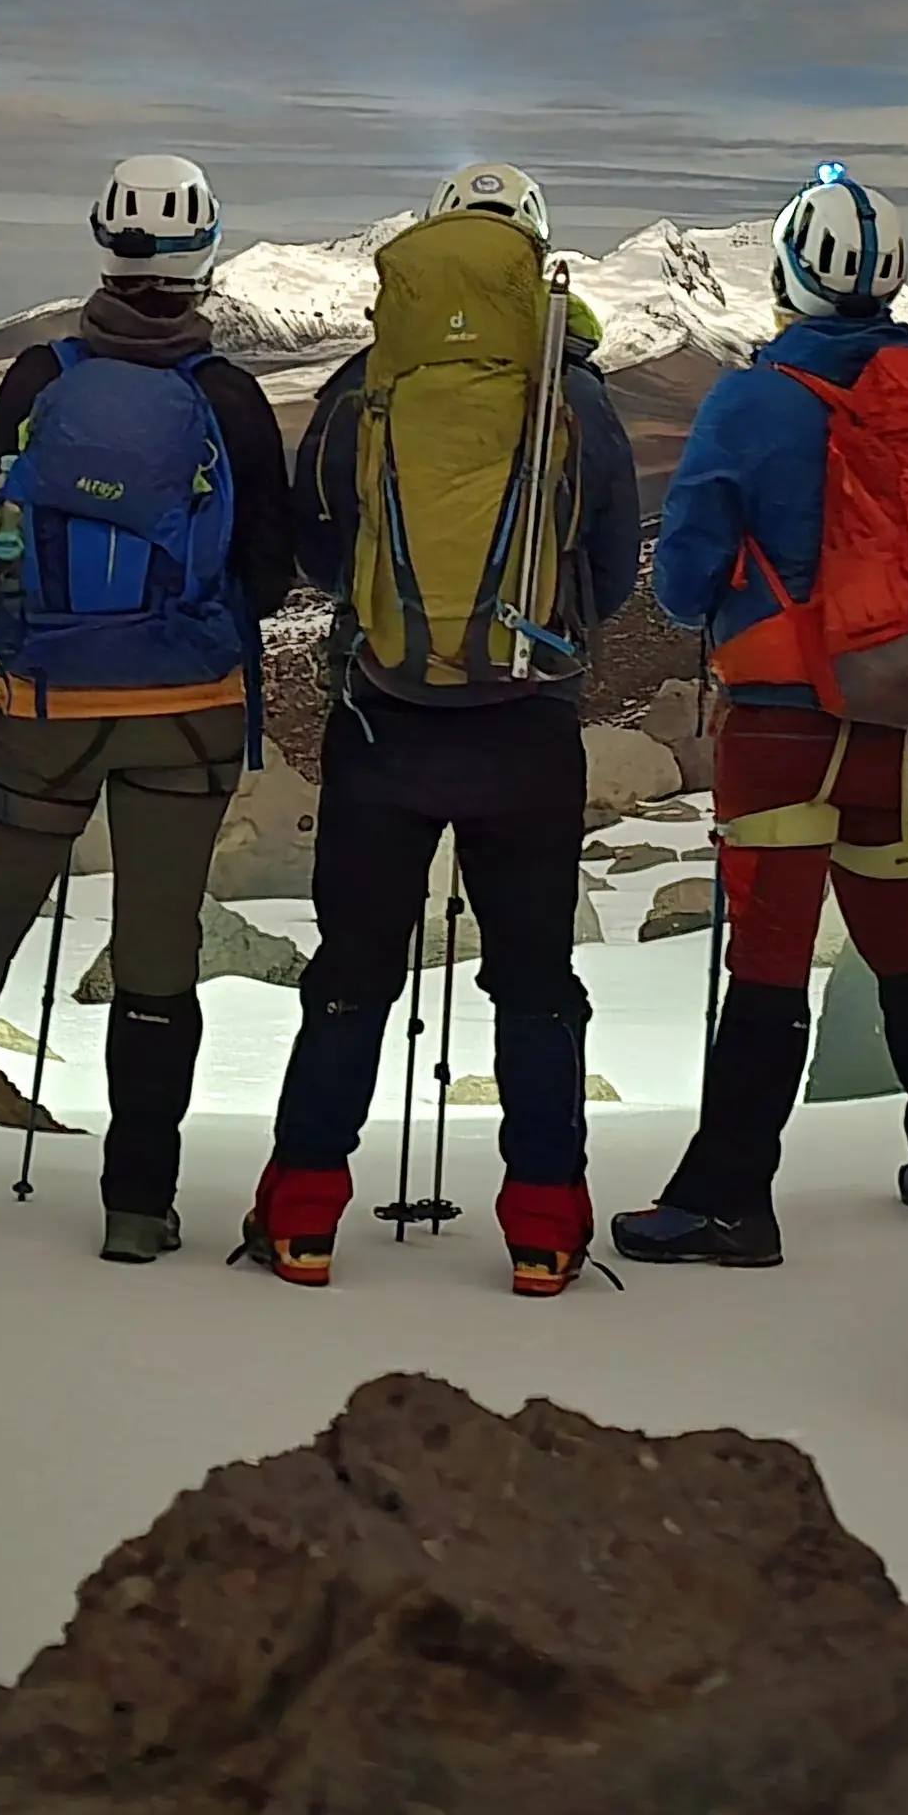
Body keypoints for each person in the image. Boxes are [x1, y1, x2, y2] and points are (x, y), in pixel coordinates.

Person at [0, 153, 293, 1262]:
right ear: (206, 256)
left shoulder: (39, 379)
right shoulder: (228, 398)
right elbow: (273, 573)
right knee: (157, 949)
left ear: (102, 245)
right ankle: (138, 1204)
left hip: (44, 704)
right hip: (187, 710)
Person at [241, 162, 642, 1298]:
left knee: (353, 975)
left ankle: (305, 1214)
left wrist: (396, 614)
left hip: (384, 725)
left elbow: (320, 548)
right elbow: (610, 570)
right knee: (535, 984)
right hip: (528, 731)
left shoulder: (363, 392)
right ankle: (546, 1227)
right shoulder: (579, 400)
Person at [612, 166, 908, 1268]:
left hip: (783, 721)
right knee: (902, 934)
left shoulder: (752, 401)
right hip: (900, 711)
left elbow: (685, 577)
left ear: (790, 271)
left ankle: (731, 1200)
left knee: (772, 954)